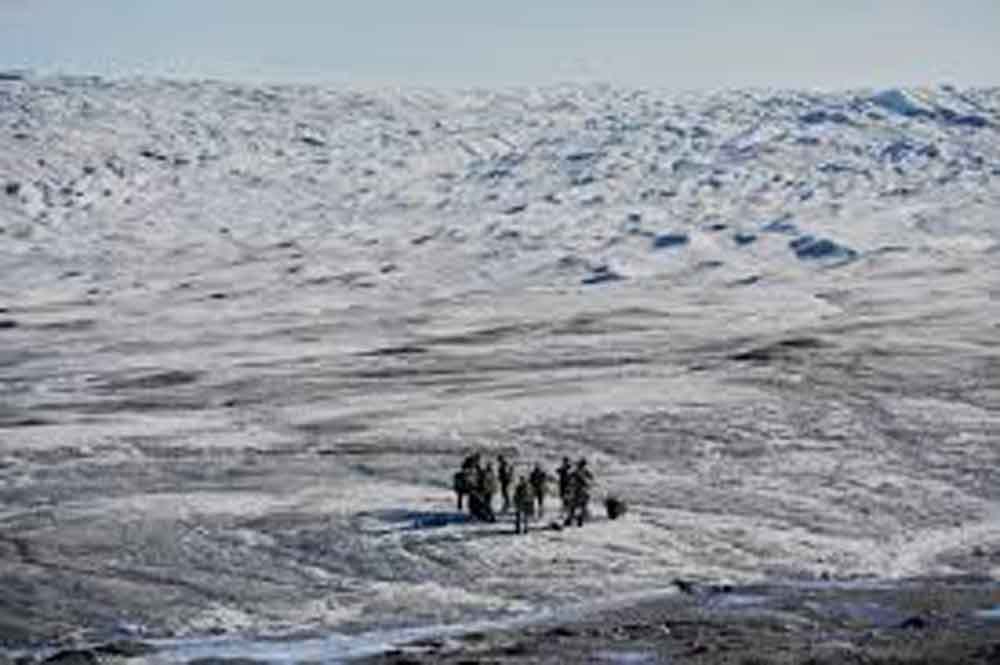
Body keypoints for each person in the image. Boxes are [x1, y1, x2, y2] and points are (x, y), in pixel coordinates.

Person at [564, 458, 593, 528]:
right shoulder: (582, 472)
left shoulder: (578, 472)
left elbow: (569, 479)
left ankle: (573, 520)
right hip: (580, 491)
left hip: (578, 491)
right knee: (578, 506)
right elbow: (590, 479)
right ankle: (575, 520)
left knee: (574, 506)